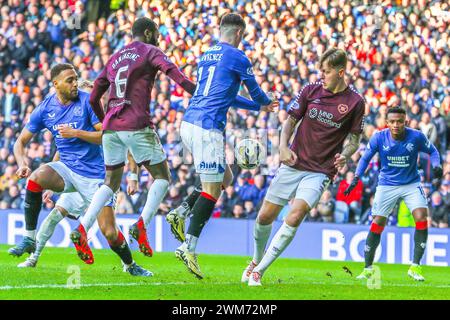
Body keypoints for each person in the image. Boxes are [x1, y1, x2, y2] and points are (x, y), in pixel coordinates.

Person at [69, 17, 197, 264]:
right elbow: (174, 73)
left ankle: (82, 228)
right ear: (148, 33)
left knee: (110, 181)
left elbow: (95, 95)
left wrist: (106, 120)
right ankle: (141, 226)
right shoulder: (151, 51)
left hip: (111, 128)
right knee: (162, 176)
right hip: (137, 123)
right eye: (157, 33)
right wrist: (197, 91)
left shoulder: (115, 57)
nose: (159, 38)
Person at [10, 65, 151, 276]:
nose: (75, 83)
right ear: (56, 84)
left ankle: (130, 265)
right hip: (67, 169)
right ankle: (30, 240)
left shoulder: (88, 101)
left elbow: (106, 134)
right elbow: (20, 142)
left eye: (76, 78)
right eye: (70, 80)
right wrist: (22, 163)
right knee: (36, 177)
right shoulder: (45, 109)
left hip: (95, 177)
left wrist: (76, 132)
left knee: (110, 233)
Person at [243, 48, 365, 286]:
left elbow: (354, 139)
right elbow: (290, 121)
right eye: (321, 71)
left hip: (320, 171)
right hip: (294, 162)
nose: (322, 76)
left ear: (341, 72)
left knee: (295, 215)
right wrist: (282, 146)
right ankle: (255, 260)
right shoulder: (311, 90)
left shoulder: (355, 102)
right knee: (265, 216)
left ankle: (260, 271)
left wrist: (347, 155)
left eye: (327, 72)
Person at [172, 13, 278, 279]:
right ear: (240, 34)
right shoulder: (238, 57)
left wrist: (257, 106)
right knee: (212, 190)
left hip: (188, 124)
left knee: (225, 177)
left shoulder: (206, 55)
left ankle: (181, 211)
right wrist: (265, 102)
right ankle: (189, 247)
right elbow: (254, 90)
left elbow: (229, 96)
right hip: (207, 128)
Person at [345, 107, 442, 281]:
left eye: (400, 121)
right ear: (387, 123)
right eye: (393, 122)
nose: (396, 125)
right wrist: (356, 177)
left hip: (411, 183)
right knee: (378, 222)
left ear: (406, 121)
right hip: (387, 184)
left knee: (421, 217)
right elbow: (365, 158)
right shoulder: (378, 137)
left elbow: (433, 151)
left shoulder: (416, 136)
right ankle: (367, 268)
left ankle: (415, 266)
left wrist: (437, 165)